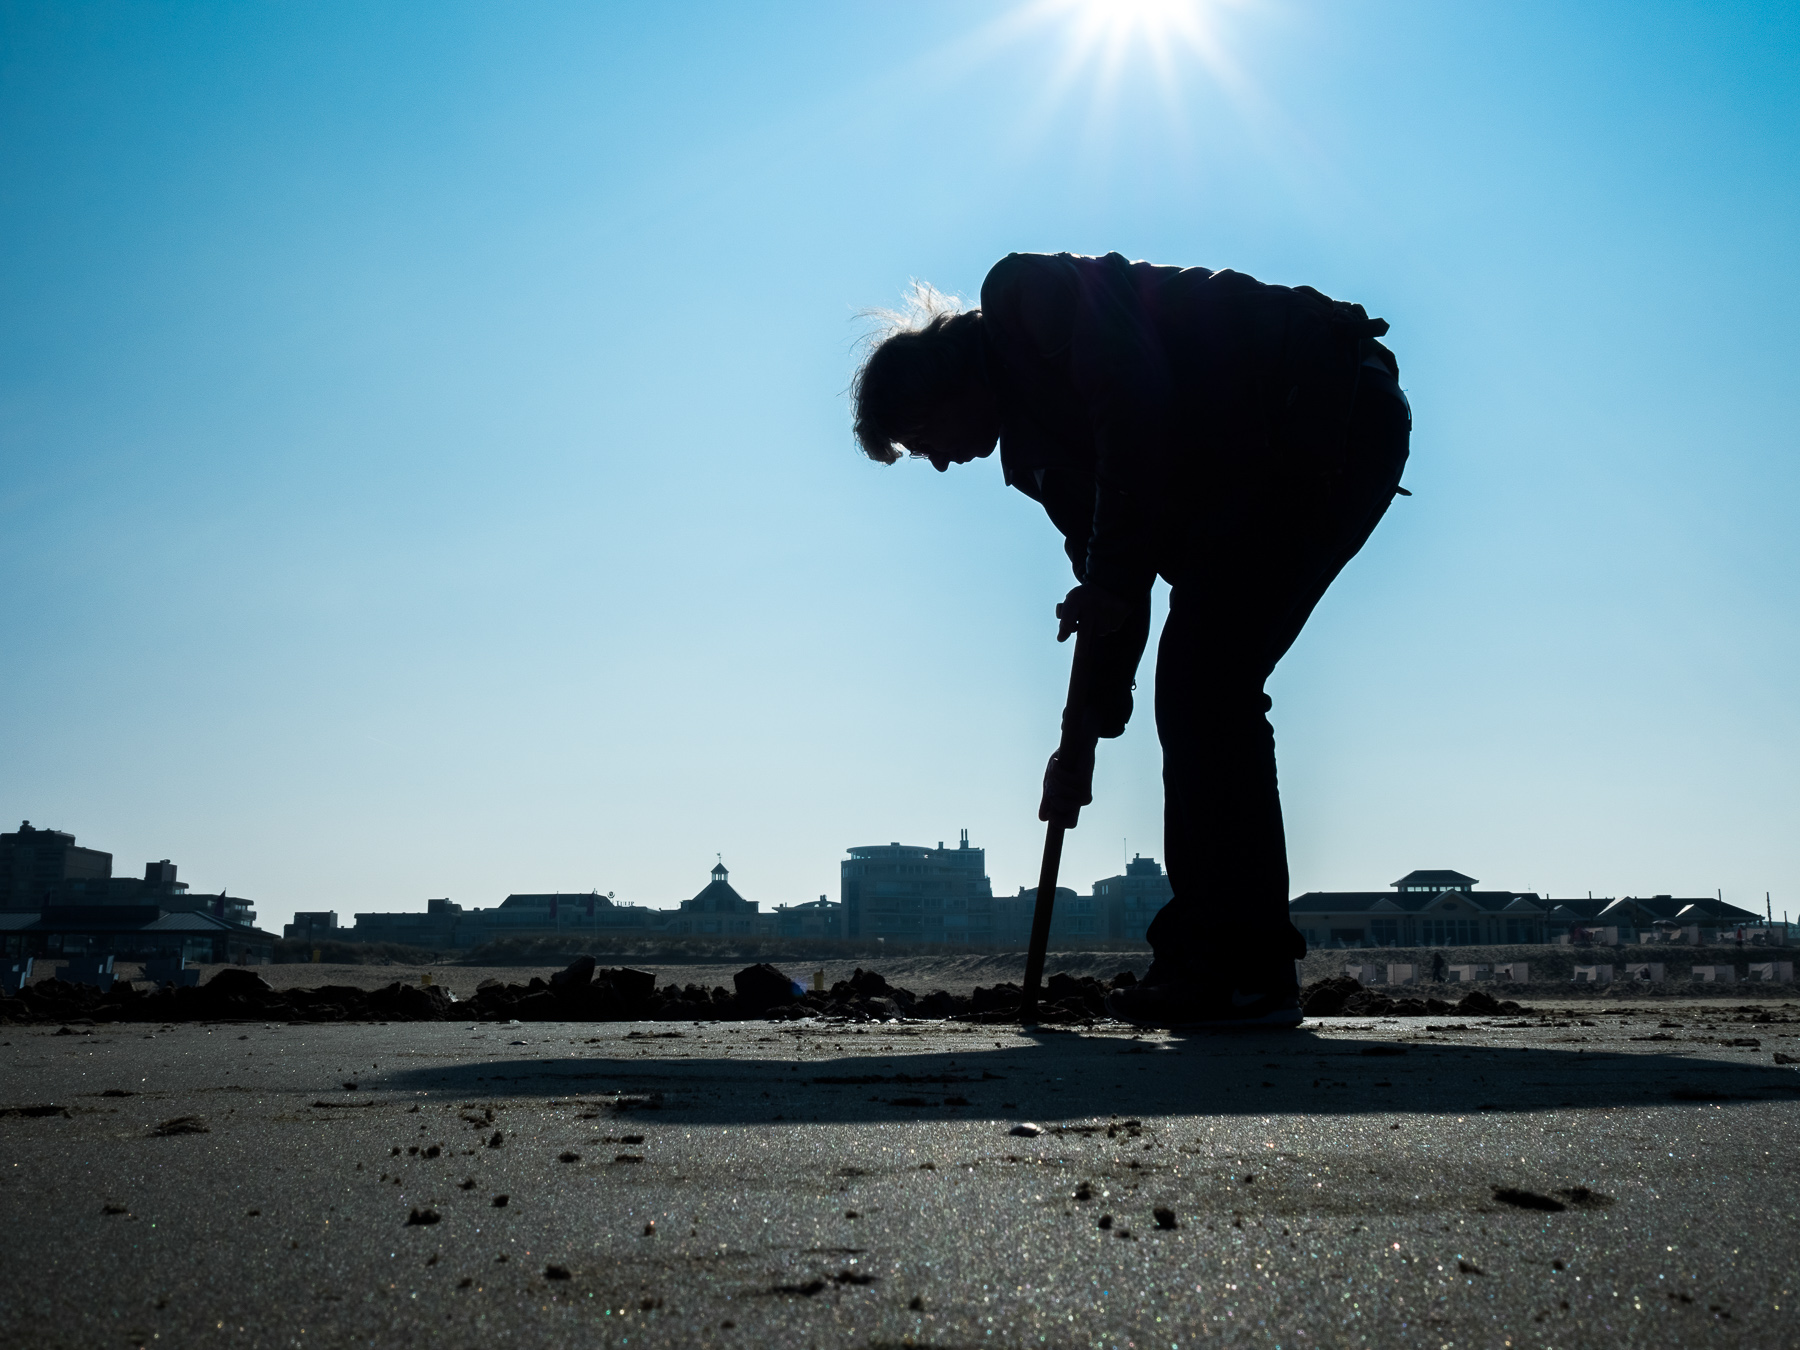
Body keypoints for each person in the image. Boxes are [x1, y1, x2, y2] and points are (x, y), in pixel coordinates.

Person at [850, 251, 1412, 1028]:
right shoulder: (1048, 459)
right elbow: (1115, 591)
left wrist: (1110, 582)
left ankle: (1242, 971)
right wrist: (1077, 743)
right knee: (1203, 682)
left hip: (1320, 411)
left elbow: (1135, 407)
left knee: (1207, 683)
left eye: (924, 438)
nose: (942, 463)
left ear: (947, 383)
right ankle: (1227, 962)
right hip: (1267, 460)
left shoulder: (1027, 301)